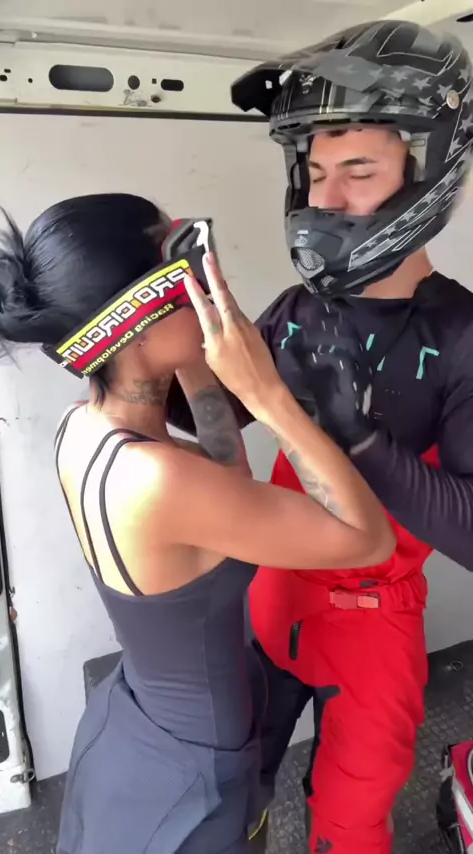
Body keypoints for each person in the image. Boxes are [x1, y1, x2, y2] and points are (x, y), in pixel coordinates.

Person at [0, 193, 394, 854]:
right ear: (135, 320)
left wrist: (190, 358)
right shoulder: (158, 480)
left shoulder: (83, 428)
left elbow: (228, 481)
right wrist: (265, 394)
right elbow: (367, 538)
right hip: (194, 772)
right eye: (187, 274)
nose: (210, 290)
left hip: (141, 721)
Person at [167, 19, 473, 854]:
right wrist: (155, 347)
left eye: (359, 171)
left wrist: (360, 439)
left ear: (430, 171)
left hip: (372, 622)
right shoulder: (300, 310)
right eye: (316, 172)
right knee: (235, 790)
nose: (326, 200)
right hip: (270, 591)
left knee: (350, 816)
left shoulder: (460, 335)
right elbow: (218, 422)